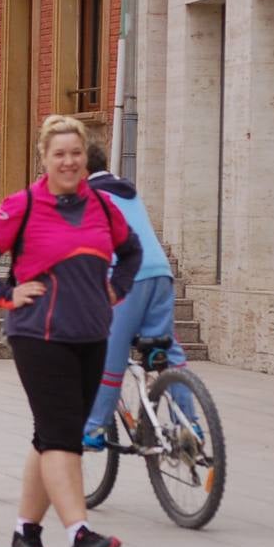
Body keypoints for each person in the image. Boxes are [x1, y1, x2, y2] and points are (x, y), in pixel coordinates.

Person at [0, 115, 142, 547]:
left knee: (50, 436)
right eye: (59, 153)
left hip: (92, 334)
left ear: (85, 157)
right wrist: (4, 294)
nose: (69, 161)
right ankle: (80, 535)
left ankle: (26, 533)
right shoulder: (23, 206)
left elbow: (131, 249)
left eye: (76, 153)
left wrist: (117, 286)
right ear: (44, 158)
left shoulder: (102, 206)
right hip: (39, 335)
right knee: (64, 438)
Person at [80, 144, 193, 450]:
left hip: (128, 276)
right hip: (160, 273)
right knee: (168, 352)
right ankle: (191, 427)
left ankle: (93, 429)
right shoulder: (128, 191)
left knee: (109, 356)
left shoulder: (89, 197)